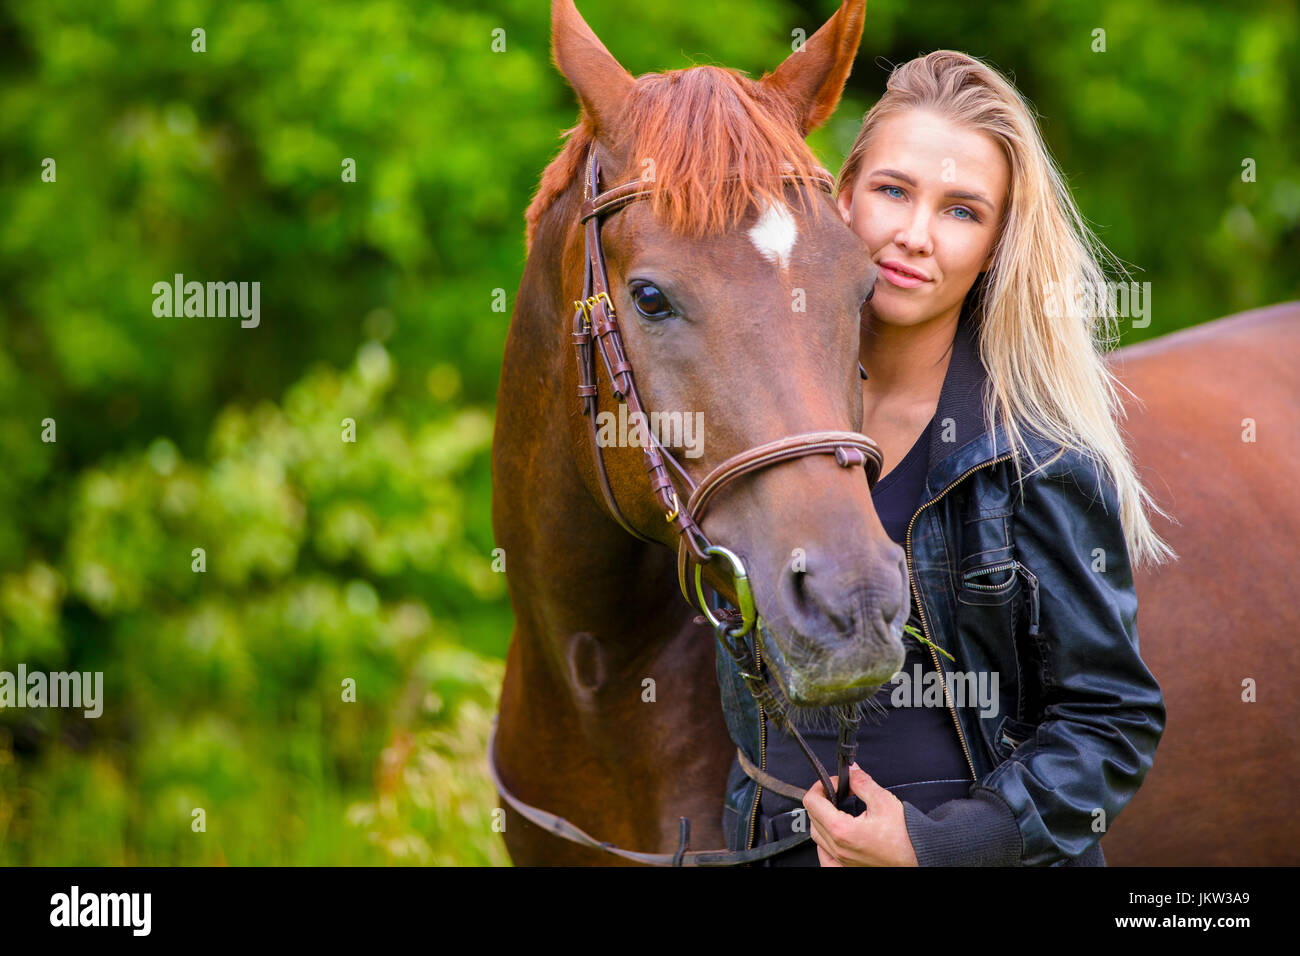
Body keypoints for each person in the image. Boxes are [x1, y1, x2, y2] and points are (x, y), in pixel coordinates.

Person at [716, 50, 1175, 866]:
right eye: (893, 190)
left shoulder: (1030, 451)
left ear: (998, 244)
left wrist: (939, 847)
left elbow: (1111, 718)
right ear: (841, 196)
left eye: (962, 211)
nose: (913, 236)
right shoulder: (760, 426)